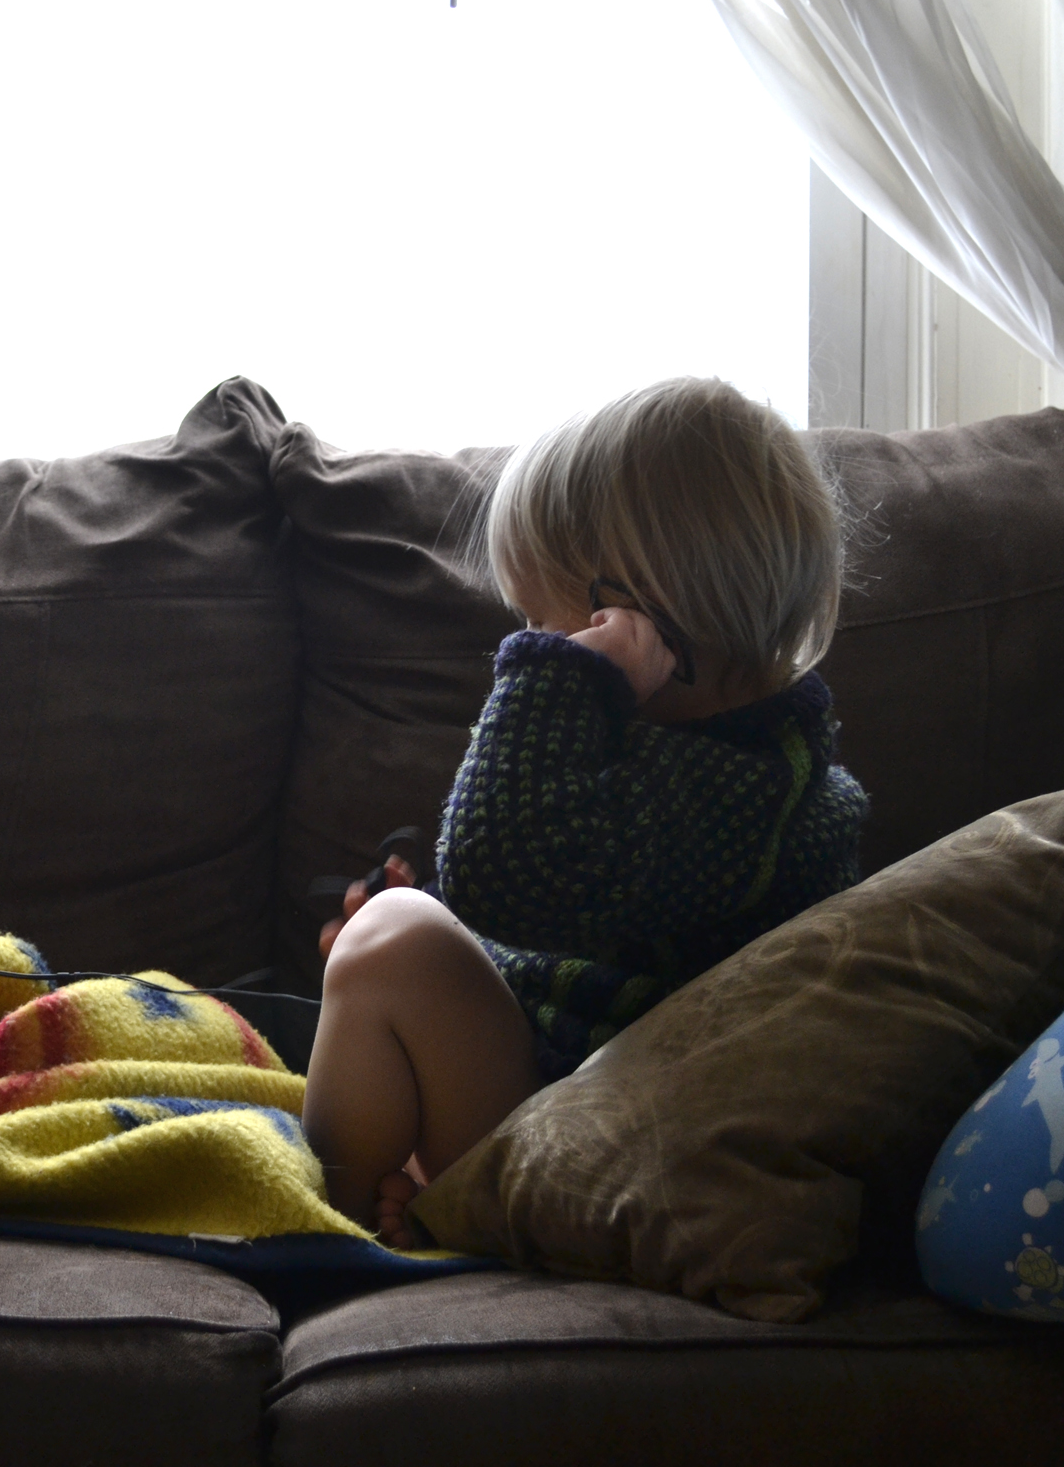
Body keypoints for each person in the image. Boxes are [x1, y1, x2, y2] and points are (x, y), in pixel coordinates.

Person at [301, 376, 868, 1245]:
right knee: (399, 933)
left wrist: (553, 679)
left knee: (394, 940)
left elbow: (498, 867)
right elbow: (573, 925)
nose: (532, 646)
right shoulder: (752, 767)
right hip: (586, 1110)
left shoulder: (744, 800)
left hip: (609, 1161)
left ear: (634, 615)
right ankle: (436, 1198)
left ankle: (337, 1235)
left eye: (541, 622)